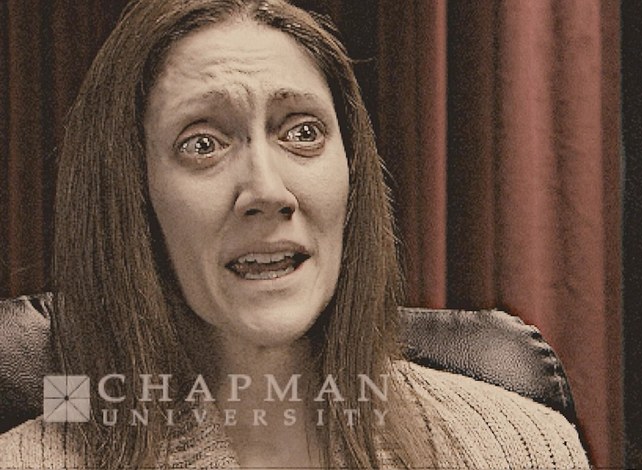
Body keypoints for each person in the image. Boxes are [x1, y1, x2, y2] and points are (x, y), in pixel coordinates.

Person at [0, 0, 588, 468]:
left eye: (302, 132)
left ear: (352, 172)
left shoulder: (523, 449)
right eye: (202, 143)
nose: (267, 190)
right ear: (133, 195)